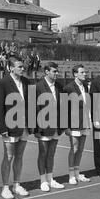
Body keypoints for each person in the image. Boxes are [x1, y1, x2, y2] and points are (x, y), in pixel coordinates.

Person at [0, 56, 31, 199]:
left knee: (19, 156)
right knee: (9, 156)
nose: (22, 69)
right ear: (11, 68)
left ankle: (16, 184)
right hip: (10, 126)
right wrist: (2, 127)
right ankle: (5, 187)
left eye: (23, 66)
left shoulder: (27, 82)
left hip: (24, 126)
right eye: (19, 67)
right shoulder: (2, 83)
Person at [35, 62, 65, 192]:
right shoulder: (39, 86)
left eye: (57, 71)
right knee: (43, 153)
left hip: (56, 126)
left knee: (51, 154)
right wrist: (36, 128)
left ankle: (50, 178)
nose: (56, 73)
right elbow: (35, 108)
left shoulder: (59, 86)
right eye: (54, 71)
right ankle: (43, 181)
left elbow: (62, 107)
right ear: (46, 72)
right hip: (43, 126)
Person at [64, 64, 92, 184]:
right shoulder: (68, 88)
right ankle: (71, 175)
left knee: (80, 149)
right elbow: (65, 109)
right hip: (74, 122)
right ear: (75, 74)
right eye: (82, 72)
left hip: (85, 121)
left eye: (85, 72)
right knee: (74, 148)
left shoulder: (85, 86)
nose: (85, 74)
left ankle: (77, 172)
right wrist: (67, 126)